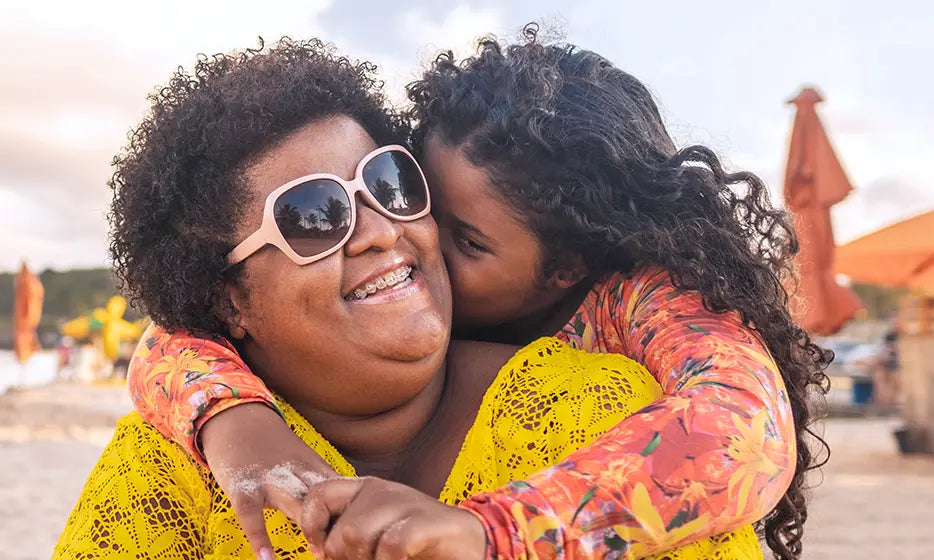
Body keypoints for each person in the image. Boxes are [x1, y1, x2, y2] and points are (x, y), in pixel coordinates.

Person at [123, 26, 829, 559]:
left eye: (466, 240)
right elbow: (174, 333)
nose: (404, 234)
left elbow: (741, 435)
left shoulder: (639, 305)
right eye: (413, 190)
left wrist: (493, 532)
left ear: (565, 268)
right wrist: (232, 417)